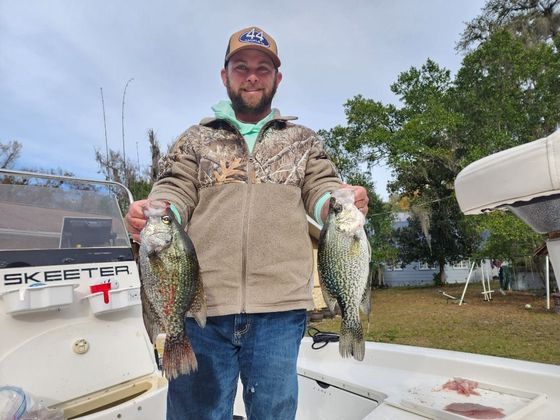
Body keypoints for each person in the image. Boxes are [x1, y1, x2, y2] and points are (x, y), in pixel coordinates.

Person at [125, 26, 369, 420]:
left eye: (262, 68)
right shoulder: (195, 139)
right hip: (202, 310)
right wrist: (156, 211)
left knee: (273, 413)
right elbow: (174, 190)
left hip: (280, 309)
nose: (252, 76)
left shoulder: (303, 140)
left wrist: (342, 206)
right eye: (241, 67)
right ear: (225, 75)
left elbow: (322, 190)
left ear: (277, 78)